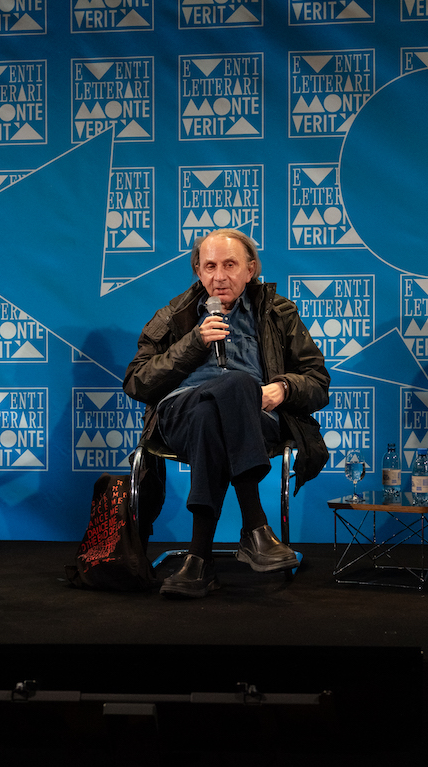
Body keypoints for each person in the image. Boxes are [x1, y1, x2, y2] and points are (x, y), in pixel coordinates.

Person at [123, 228, 331, 599]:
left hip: (255, 419)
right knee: (232, 386)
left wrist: (284, 388)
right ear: (198, 272)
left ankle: (198, 560)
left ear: (250, 270)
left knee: (215, 411)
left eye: (230, 265)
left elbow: (317, 381)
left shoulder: (279, 313)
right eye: (210, 266)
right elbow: (137, 382)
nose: (219, 276)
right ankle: (255, 527)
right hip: (179, 415)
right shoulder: (174, 316)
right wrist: (194, 342)